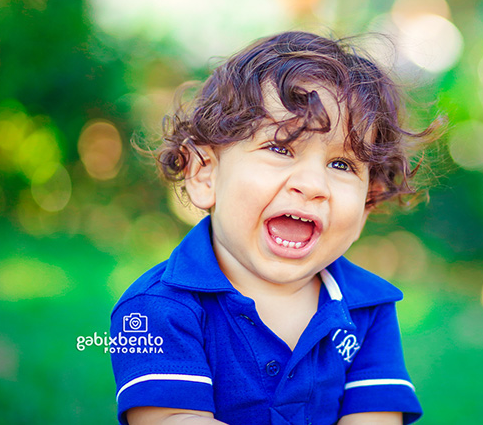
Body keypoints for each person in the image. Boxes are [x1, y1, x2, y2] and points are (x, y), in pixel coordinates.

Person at [110, 31, 441, 425]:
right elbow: (171, 418)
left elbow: (375, 418)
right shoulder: (155, 310)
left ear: (368, 201)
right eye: (281, 148)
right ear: (204, 173)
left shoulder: (366, 308)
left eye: (341, 165)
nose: (314, 185)